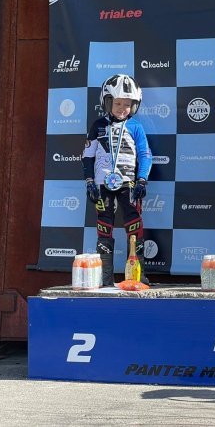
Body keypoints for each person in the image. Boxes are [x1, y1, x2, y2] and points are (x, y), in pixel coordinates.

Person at [82, 74, 152, 286]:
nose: (122, 108)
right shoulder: (97, 126)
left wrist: (142, 180)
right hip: (102, 184)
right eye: (118, 103)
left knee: (134, 224)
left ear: (135, 105)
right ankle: (105, 277)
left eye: (127, 104)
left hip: (128, 184)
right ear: (107, 102)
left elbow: (145, 155)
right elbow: (87, 156)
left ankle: (136, 275)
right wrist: (89, 181)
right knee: (104, 225)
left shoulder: (136, 127)